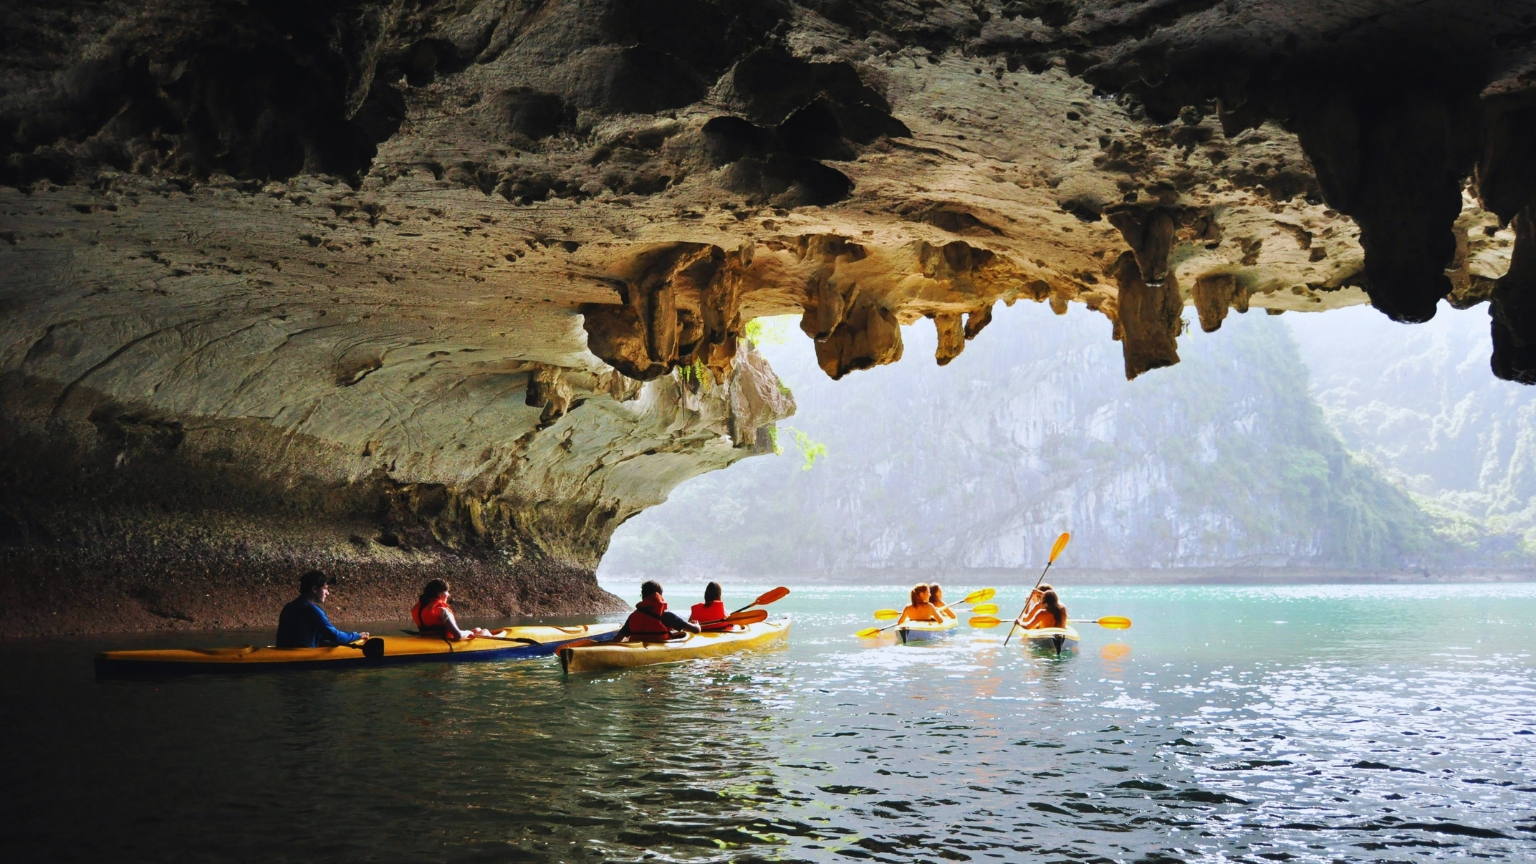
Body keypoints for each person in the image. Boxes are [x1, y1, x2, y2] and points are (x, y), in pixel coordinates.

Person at [275, 570, 370, 648]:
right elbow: (334, 636)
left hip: (284, 653)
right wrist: (357, 635)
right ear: (315, 589)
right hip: (303, 658)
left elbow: (298, 637)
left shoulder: (289, 607)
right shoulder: (312, 611)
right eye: (325, 588)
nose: (327, 593)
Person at [411, 579, 496, 640]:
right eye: (447, 591)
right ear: (440, 594)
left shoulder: (417, 609)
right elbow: (458, 636)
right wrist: (468, 632)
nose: (449, 595)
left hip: (426, 640)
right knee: (485, 631)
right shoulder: (442, 611)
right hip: (445, 641)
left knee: (477, 629)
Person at [619, 581, 701, 642]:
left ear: (643, 596)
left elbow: (617, 638)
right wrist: (696, 625)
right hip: (659, 650)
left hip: (638, 649)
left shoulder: (633, 617)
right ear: (659, 596)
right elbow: (696, 630)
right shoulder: (666, 616)